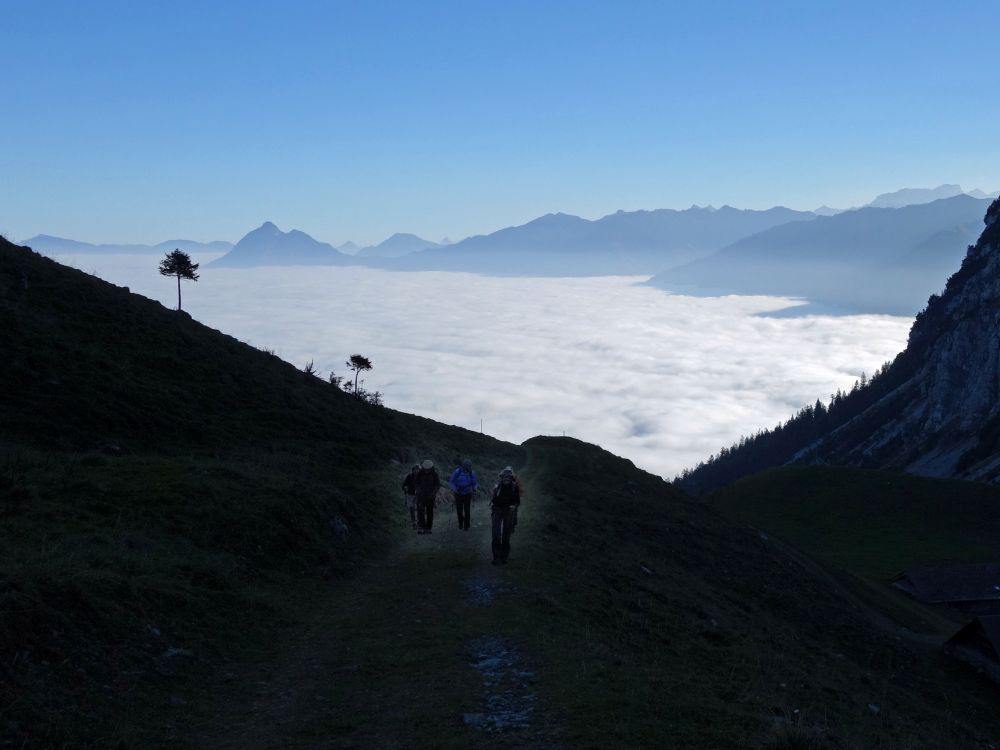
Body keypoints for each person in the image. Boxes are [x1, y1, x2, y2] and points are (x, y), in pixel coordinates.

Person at [490, 467, 520, 564]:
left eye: (508, 477)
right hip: (497, 511)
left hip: (508, 513)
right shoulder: (497, 487)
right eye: (504, 477)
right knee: (496, 534)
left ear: (511, 478)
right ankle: (496, 556)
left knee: (506, 536)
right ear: (502, 478)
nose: (506, 479)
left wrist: (513, 507)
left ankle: (504, 557)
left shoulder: (514, 487)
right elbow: (493, 500)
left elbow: (517, 501)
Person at [449, 458, 478, 530]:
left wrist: (475, 488)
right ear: (464, 466)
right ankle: (461, 523)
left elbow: (475, 483)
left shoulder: (472, 473)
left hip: (467, 493)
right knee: (459, 510)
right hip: (458, 493)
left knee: (467, 510)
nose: (469, 468)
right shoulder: (457, 472)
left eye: (470, 466)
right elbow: (451, 481)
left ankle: (466, 525)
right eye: (468, 466)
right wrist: (455, 489)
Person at [414, 459, 441, 534]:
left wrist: (433, 493)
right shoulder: (420, 473)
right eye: (425, 469)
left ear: (431, 468)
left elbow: (437, 485)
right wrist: (418, 491)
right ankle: (422, 527)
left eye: (428, 469)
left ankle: (428, 528)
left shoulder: (434, 474)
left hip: (431, 497)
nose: (426, 470)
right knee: (420, 511)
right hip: (421, 496)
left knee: (430, 512)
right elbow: (416, 483)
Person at [401, 464, 420, 529]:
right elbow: (403, 485)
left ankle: (419, 522)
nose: (416, 471)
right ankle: (413, 523)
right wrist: (405, 487)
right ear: (413, 470)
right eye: (415, 469)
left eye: (417, 469)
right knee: (411, 508)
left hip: (418, 494)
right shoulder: (409, 476)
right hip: (410, 494)